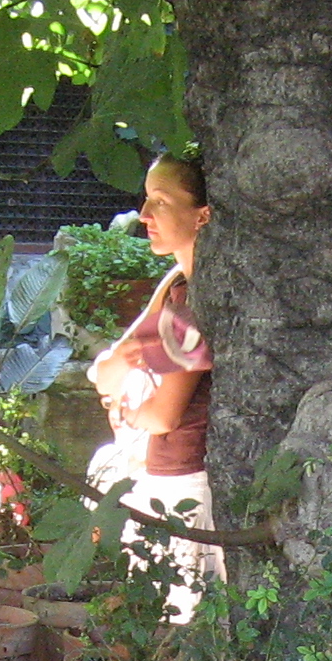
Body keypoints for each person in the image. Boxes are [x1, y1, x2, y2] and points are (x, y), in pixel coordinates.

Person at [88, 151, 221, 597]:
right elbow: (107, 372)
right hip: (161, 473)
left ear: (202, 215)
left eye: (161, 202)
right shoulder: (174, 285)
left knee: (179, 615)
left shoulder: (194, 299)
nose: (144, 214)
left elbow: (162, 416)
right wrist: (129, 368)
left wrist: (129, 408)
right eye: (146, 200)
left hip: (182, 480)